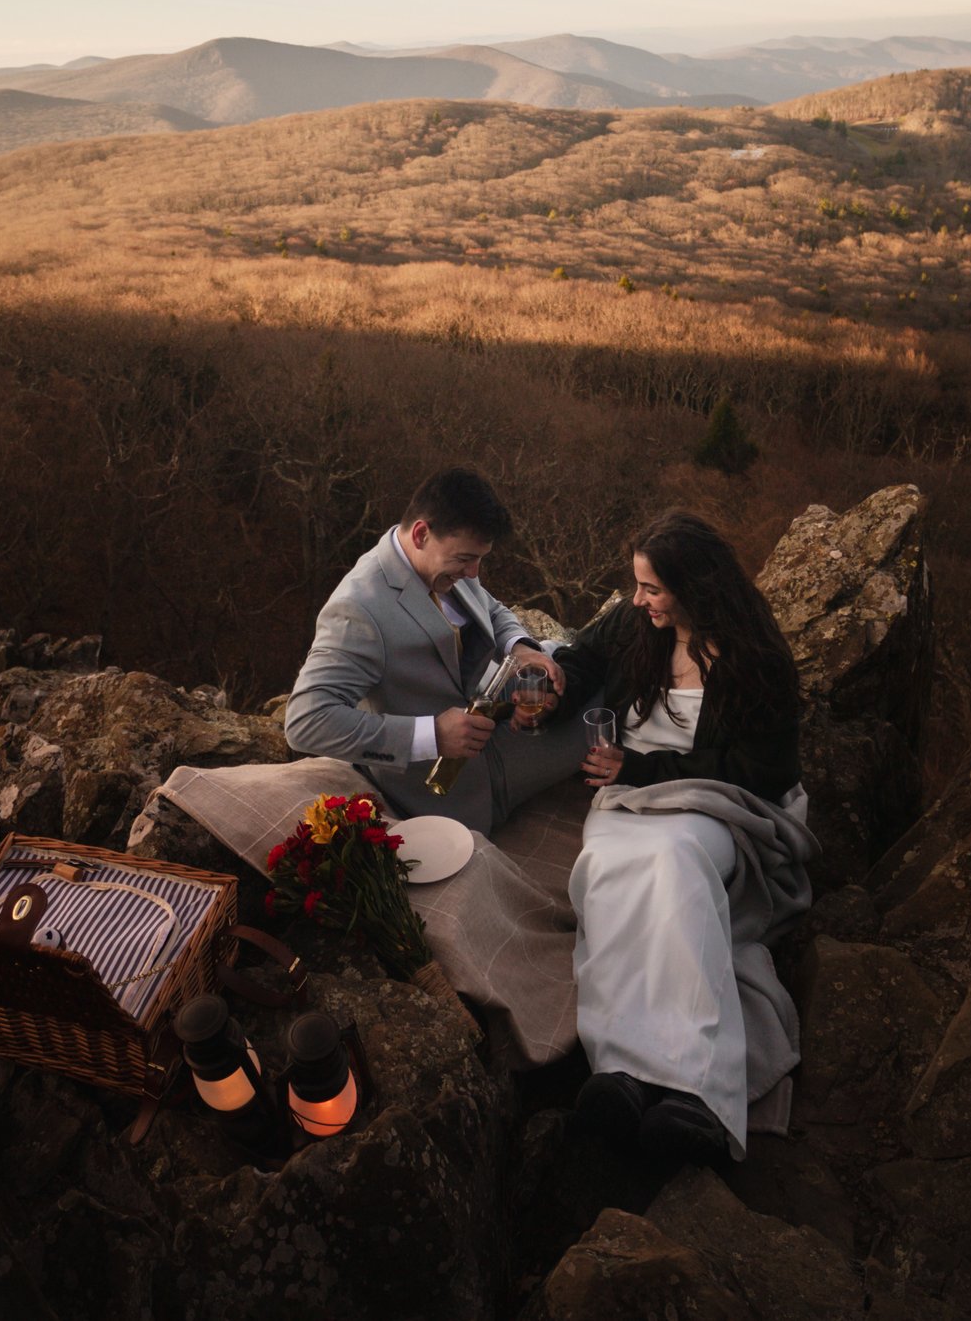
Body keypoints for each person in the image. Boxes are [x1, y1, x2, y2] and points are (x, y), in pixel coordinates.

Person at [551, 509, 811, 1165]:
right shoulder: (638, 624)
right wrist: (548, 675)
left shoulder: (756, 659)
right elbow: (582, 655)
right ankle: (621, 1074)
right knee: (608, 869)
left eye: (652, 588)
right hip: (628, 800)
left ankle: (699, 1092)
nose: (638, 600)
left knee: (673, 865)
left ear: (695, 588)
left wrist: (639, 768)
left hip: (718, 805)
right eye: (637, 586)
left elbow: (762, 772)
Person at [283, 467, 581, 835]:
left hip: (498, 720)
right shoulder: (358, 609)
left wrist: (519, 647)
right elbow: (305, 722)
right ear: (422, 533)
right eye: (465, 559)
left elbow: (493, 609)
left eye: (479, 560)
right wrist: (432, 735)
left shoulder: (444, 563)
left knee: (591, 673)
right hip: (448, 786)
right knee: (603, 712)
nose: (473, 572)